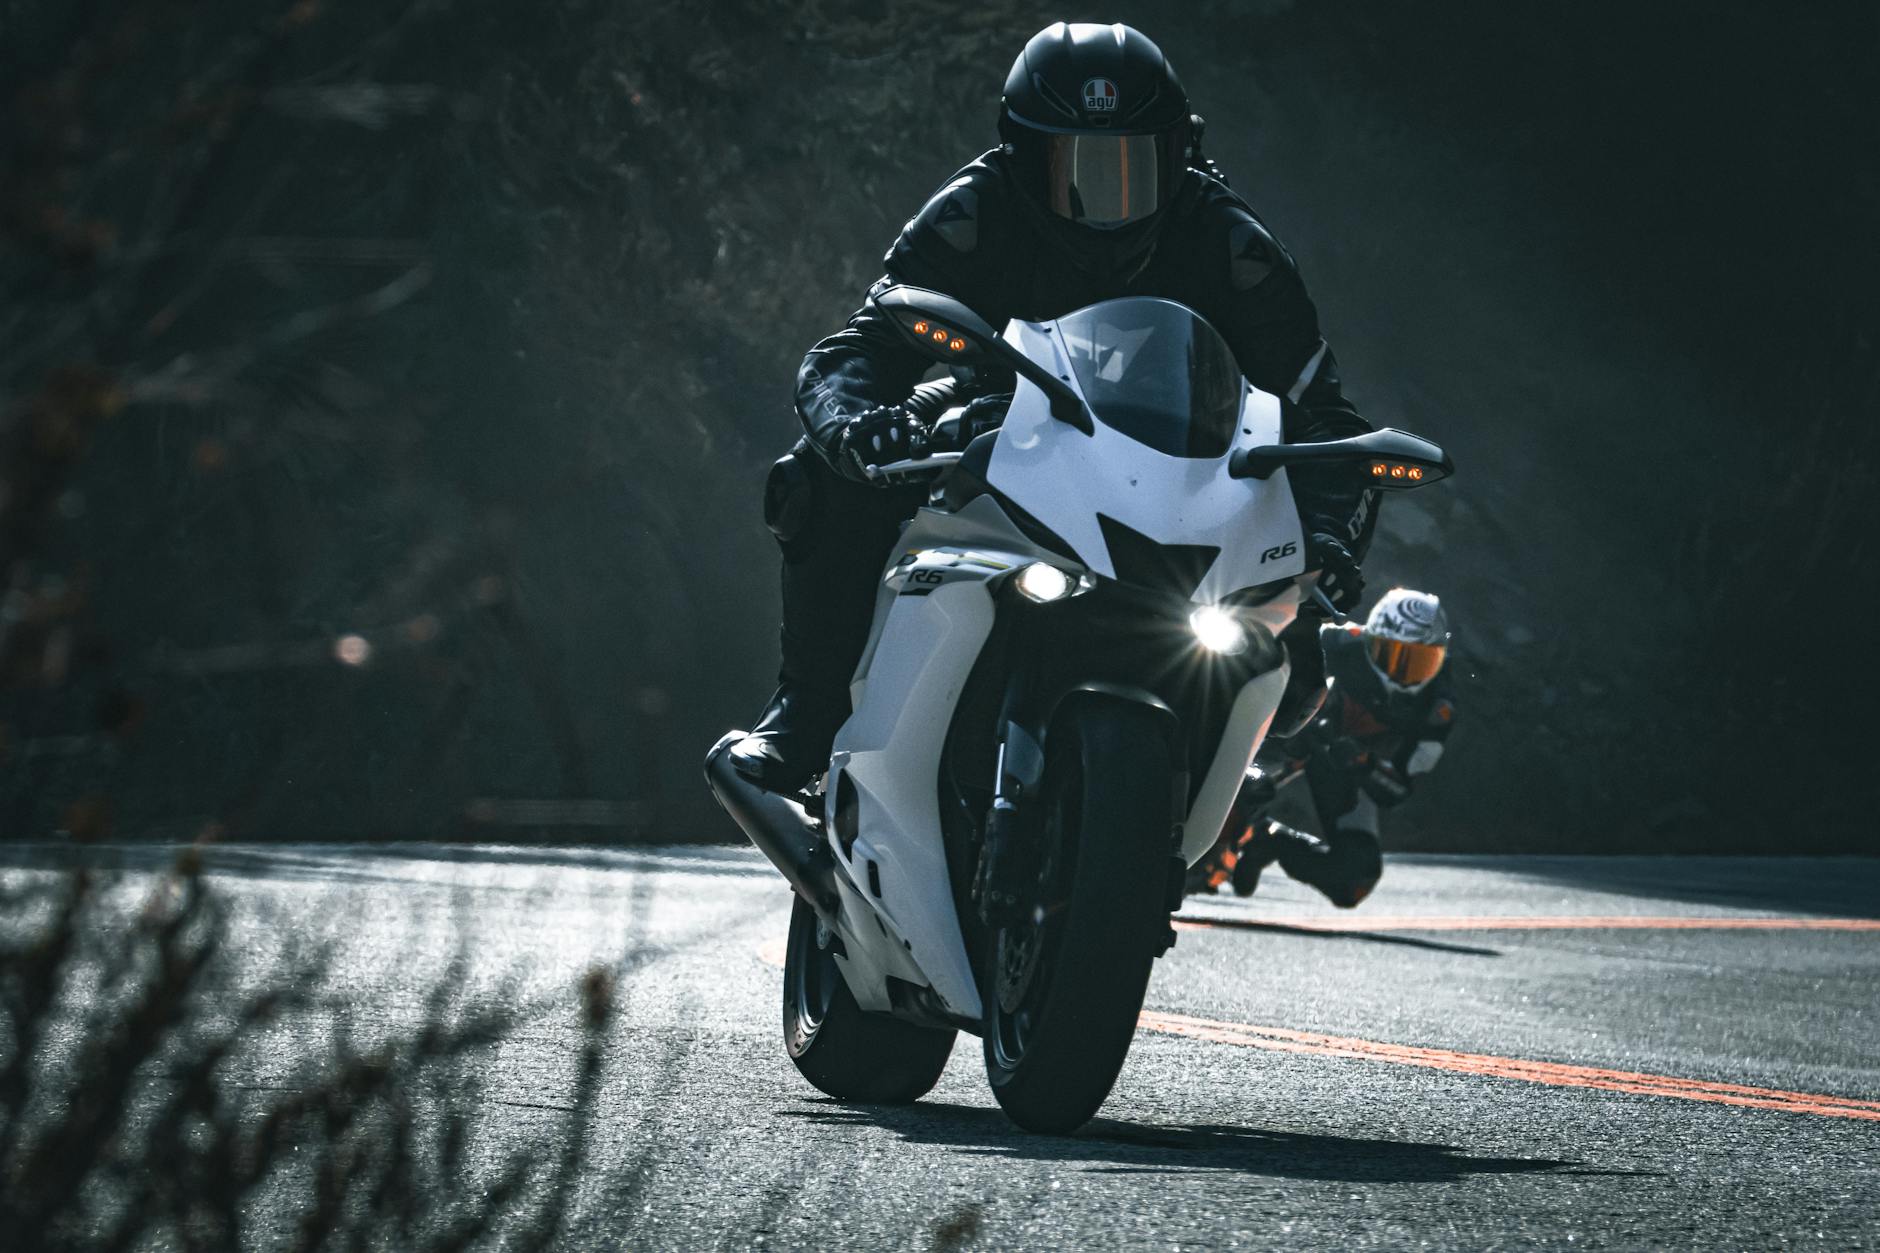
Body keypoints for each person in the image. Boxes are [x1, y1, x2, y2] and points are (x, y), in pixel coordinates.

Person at [727, 21, 1378, 791]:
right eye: (1073, 168)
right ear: (1018, 154)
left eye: (1133, 167)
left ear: (1180, 152)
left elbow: (1323, 417)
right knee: (814, 480)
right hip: (999, 410)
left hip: (1184, 452)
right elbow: (855, 350)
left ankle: (1208, 775)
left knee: (1297, 650)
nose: (1104, 200)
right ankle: (805, 712)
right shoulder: (974, 213)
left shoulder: (1232, 245)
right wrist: (856, 428)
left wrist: (1330, 536)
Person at [1193, 587, 1457, 906]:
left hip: (1349, 767)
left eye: (1422, 661)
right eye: (1393, 655)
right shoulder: (1338, 641)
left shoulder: (1437, 707)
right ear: (1371, 640)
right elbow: (1265, 660)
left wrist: (1361, 761)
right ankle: (1212, 840)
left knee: (1354, 880)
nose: (1403, 676)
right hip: (1294, 737)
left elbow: (1397, 790)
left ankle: (1271, 841)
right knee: (1244, 785)